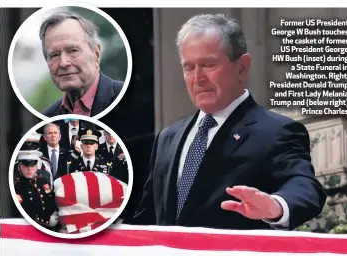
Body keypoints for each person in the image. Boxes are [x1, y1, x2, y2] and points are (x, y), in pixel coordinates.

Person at [130, 14, 327, 230]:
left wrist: (275, 206)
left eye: (208, 64)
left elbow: (304, 187)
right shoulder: (168, 138)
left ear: (242, 67)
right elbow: (148, 217)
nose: (198, 78)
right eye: (189, 67)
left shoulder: (277, 131)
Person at [39, 12, 124, 117]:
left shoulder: (128, 98)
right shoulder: (48, 117)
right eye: (54, 55)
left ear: (96, 54)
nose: (63, 63)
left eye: (73, 51)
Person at [14, 150, 60, 231]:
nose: (29, 168)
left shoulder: (43, 181)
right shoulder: (17, 187)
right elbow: (22, 213)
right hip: (31, 230)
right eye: (25, 165)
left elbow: (52, 200)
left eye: (33, 165)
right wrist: (46, 220)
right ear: (19, 166)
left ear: (36, 166)